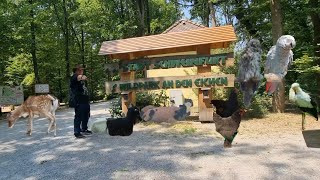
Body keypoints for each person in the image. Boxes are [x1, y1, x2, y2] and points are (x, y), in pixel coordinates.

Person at [70, 64, 92, 138]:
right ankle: (77, 132)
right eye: (80, 70)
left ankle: (84, 129)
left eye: (82, 69)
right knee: (78, 116)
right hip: (78, 100)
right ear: (76, 71)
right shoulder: (74, 77)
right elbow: (80, 77)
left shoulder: (79, 78)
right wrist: (83, 77)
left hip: (84, 99)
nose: (82, 71)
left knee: (86, 114)